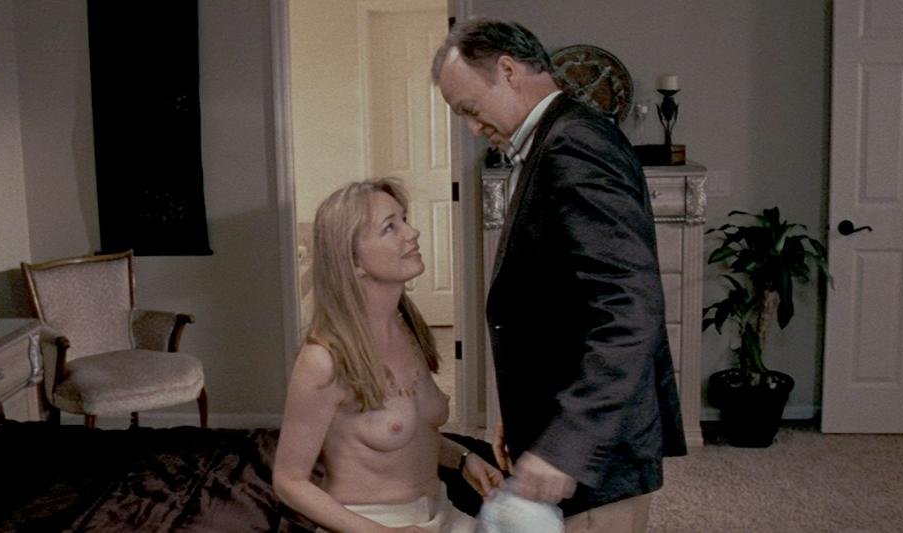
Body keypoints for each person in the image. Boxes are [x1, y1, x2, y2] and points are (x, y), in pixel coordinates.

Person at [432, 18, 688, 532]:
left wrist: (566, 445)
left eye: (469, 109)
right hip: (560, 425)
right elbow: (555, 298)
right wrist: (522, 416)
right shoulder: (552, 139)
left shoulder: (575, 144)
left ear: (508, 71)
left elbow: (629, 309)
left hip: (596, 452)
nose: (472, 128)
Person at [273, 178, 504, 533]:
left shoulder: (407, 325)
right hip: (372, 524)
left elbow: (410, 435)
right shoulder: (324, 358)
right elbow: (289, 482)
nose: (413, 233)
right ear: (354, 262)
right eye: (390, 227)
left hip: (440, 513)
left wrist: (463, 459)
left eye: (404, 219)